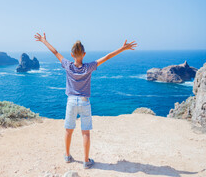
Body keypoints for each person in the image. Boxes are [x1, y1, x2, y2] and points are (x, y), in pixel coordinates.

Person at [34, 32, 137, 169]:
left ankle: (67, 156)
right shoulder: (89, 67)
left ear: (72, 55)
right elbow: (107, 57)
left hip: (71, 101)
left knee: (68, 130)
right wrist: (122, 49)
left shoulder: (67, 65)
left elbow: (55, 52)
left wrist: (43, 41)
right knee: (85, 132)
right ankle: (86, 161)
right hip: (84, 102)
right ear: (84, 54)